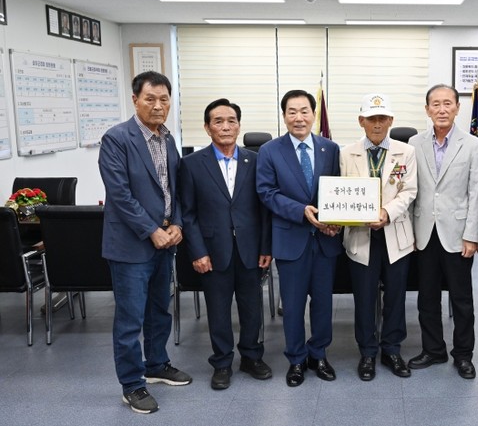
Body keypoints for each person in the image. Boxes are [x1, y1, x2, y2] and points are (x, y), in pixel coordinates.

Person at [98, 71, 192, 414]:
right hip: (132, 245)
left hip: (165, 241)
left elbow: (175, 189)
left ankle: (156, 364)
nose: (158, 106)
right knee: (130, 318)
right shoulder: (116, 139)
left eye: (164, 99)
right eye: (150, 99)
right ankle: (132, 384)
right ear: (135, 99)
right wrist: (152, 230)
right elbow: (119, 195)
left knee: (159, 310)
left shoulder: (168, 138)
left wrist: (177, 223)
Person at [179, 98, 273, 390]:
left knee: (252, 308)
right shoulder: (191, 164)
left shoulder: (255, 161)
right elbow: (188, 214)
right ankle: (221, 362)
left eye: (231, 120)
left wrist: (266, 247)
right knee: (218, 310)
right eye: (218, 121)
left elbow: (265, 209)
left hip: (250, 249)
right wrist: (197, 251)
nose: (226, 126)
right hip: (212, 250)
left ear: (239, 126)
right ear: (207, 128)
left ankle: (251, 357)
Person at [256, 89, 343, 387]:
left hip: (325, 240)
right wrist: (300, 211)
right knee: (292, 306)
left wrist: (336, 222)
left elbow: (337, 190)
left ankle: (318, 354)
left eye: (304, 111)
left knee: (323, 304)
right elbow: (266, 192)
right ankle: (296, 359)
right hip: (291, 238)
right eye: (292, 112)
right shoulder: (270, 151)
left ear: (314, 114)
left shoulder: (330, 148)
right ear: (284, 116)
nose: (299, 117)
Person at [407, 84, 478, 379]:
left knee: (461, 300)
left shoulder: (472, 145)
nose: (442, 109)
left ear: (457, 108)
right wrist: (410, 233)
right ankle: (433, 350)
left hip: (458, 233)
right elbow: (410, 190)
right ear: (427, 109)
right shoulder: (414, 143)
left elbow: (476, 193)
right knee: (427, 297)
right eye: (436, 104)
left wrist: (472, 235)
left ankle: (463, 355)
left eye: (447, 103)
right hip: (424, 231)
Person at [340, 94, 417, 381]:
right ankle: (368, 352)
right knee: (364, 297)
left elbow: (409, 191)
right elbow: (341, 192)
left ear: (391, 121)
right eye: (371, 118)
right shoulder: (346, 153)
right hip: (361, 235)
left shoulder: (405, 152)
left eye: (382, 118)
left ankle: (392, 350)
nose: (377, 124)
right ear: (361, 121)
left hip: (395, 233)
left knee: (395, 296)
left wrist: (386, 212)